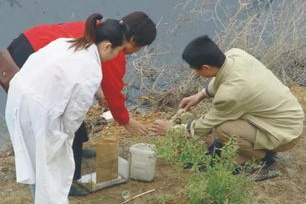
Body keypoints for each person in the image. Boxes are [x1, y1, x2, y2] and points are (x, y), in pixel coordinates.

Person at [0, 11, 157, 196]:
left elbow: (82, 79)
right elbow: (107, 96)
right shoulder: (108, 55)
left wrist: (98, 93)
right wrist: (125, 120)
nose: (132, 52)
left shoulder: (96, 31)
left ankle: (66, 162)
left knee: (57, 135)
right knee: (56, 142)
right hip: (28, 65)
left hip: (27, 52)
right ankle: (69, 182)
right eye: (139, 47)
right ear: (132, 39)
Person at [150, 35, 304, 167]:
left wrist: (172, 129)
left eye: (195, 69)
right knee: (226, 124)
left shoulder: (230, 94)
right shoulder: (236, 54)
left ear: (205, 67)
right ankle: (254, 147)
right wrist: (201, 95)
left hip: (286, 134)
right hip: (286, 117)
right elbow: (223, 76)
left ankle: (263, 160)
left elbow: (206, 124)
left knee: (222, 129)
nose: (194, 72)